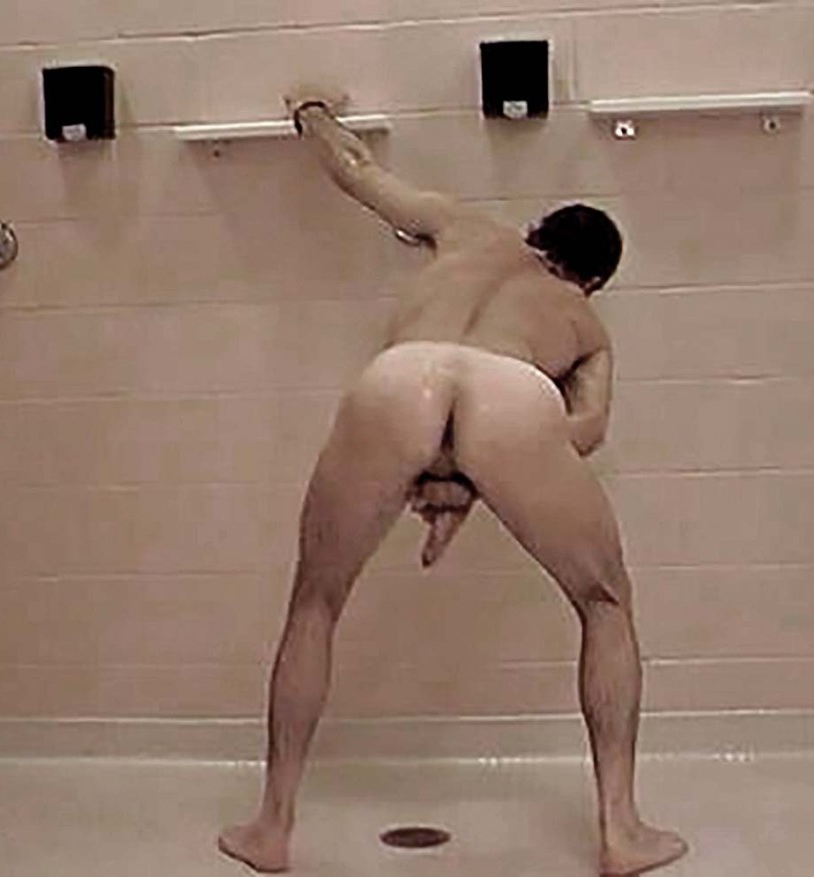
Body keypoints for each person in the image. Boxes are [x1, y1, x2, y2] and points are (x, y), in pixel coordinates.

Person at [217, 87, 688, 876]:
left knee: (315, 601)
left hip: (397, 379)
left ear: (535, 233)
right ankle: (620, 827)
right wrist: (471, 476)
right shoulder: (585, 324)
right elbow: (582, 432)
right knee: (605, 603)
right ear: (594, 280)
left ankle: (271, 825)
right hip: (515, 395)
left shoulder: (464, 226)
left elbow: (356, 170)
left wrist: (312, 113)